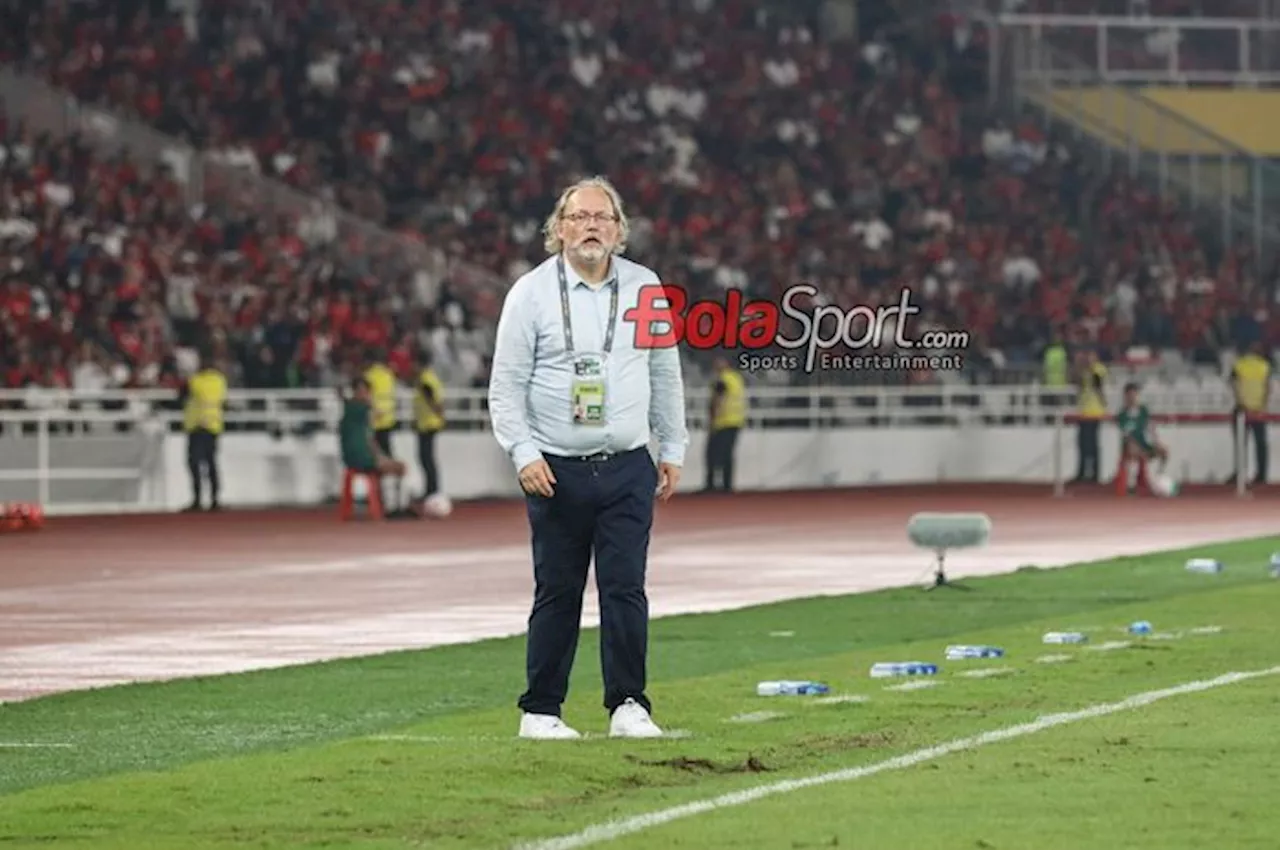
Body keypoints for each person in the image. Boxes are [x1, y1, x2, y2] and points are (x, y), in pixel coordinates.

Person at [487, 175, 688, 740]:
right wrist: (522, 453)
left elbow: (664, 373)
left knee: (626, 586)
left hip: (627, 462)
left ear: (620, 230)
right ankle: (541, 711)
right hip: (555, 469)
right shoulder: (529, 292)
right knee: (558, 589)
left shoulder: (645, 286)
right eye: (579, 217)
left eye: (602, 217)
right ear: (558, 228)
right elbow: (505, 385)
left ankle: (628, 705)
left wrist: (671, 445)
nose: (591, 226)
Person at [339, 378, 408, 509]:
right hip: (360, 458)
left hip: (360, 455)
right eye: (363, 391)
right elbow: (377, 415)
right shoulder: (359, 408)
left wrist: (380, 456)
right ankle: (393, 506)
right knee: (400, 467)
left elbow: (369, 439)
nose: (366, 394)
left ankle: (390, 503)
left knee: (392, 465)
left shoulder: (354, 409)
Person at [179, 351, 227, 512]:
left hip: (196, 426)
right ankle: (214, 499)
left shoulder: (195, 381)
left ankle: (198, 499)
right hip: (213, 425)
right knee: (211, 463)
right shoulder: (220, 380)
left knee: (195, 464)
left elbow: (181, 396)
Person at [1228, 342, 1270, 486]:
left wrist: (1241, 402)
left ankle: (1240, 473)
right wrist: (1262, 406)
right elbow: (1267, 387)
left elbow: (1233, 385)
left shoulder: (1239, 365)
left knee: (1240, 443)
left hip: (1242, 408)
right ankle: (1262, 474)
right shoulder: (1264, 365)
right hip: (1258, 408)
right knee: (1261, 444)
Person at [363, 350, 401, 507]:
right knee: (389, 460)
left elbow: (366, 397)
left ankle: (379, 498)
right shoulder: (389, 375)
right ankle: (393, 498)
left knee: (377, 462)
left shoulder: (368, 376)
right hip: (388, 422)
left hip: (374, 423)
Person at [1115, 382, 1168, 494]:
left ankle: (1158, 478)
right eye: (1129, 395)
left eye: (1134, 395)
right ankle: (1131, 485)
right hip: (1130, 445)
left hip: (1145, 443)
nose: (1132, 398)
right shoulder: (1122, 415)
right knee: (1132, 449)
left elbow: (1150, 428)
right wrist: (1139, 447)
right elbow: (1126, 435)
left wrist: (1157, 441)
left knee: (1164, 450)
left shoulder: (1143, 411)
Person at [704, 356, 745, 492]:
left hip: (722, 422)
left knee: (712, 454)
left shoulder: (722, 379)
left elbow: (717, 400)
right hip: (736, 421)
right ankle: (727, 485)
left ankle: (711, 485)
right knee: (727, 455)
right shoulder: (736, 378)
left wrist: (712, 420)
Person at [413, 349, 446, 502]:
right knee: (428, 459)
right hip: (429, 423)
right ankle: (432, 490)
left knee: (426, 459)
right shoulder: (431, 377)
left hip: (427, 424)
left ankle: (431, 491)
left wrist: (438, 412)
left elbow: (432, 400)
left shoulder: (425, 380)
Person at [1070, 348, 1107, 485]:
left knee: (1092, 444)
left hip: (1095, 411)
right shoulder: (1084, 371)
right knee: (1081, 443)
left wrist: (1088, 368)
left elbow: (1097, 383)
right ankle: (1081, 472)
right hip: (1083, 411)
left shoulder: (1099, 369)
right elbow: (1077, 383)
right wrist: (1078, 366)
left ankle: (1095, 475)